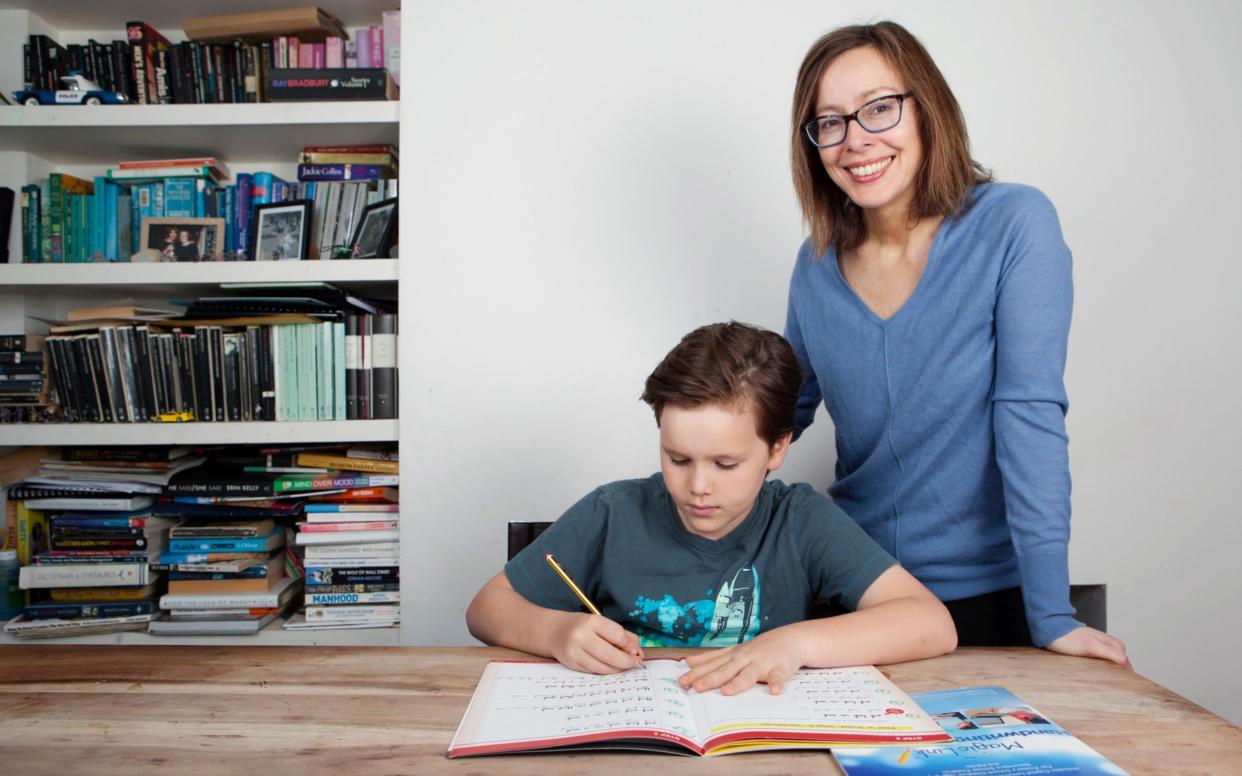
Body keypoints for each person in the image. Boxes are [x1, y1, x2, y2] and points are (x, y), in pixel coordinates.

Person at [783, 21, 1129, 665]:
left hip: (990, 603)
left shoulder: (1014, 224)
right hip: (854, 601)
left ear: (928, 109)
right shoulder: (816, 261)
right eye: (830, 122)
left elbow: (1030, 417)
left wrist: (1051, 613)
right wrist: (654, 505)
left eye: (879, 108)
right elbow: (775, 416)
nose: (856, 140)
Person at [466, 322, 957, 694]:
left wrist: (795, 643)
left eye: (726, 463)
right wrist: (555, 632)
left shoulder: (801, 520)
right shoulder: (612, 511)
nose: (698, 486)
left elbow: (930, 624)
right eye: (677, 458)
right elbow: (486, 608)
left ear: (778, 448)